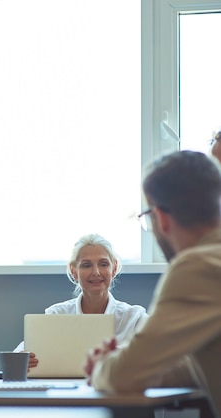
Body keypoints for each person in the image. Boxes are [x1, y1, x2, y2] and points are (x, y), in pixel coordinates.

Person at [85, 150, 221, 406]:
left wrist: (104, 366)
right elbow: (197, 368)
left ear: (162, 218)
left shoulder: (198, 266)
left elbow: (122, 377)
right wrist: (137, 367)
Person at [15, 234, 148, 369]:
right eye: (86, 265)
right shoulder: (57, 315)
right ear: (74, 271)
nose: (96, 272)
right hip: (64, 389)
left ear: (113, 269)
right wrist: (22, 360)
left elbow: (160, 354)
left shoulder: (133, 318)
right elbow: (19, 354)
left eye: (103, 264)